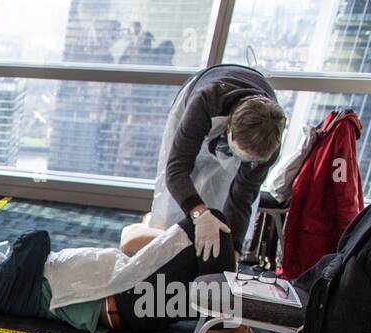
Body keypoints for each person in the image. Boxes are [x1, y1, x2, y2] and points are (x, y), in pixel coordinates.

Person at [0, 214, 280, 333]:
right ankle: (223, 327)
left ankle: (223, 325)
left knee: (208, 234)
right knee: (204, 226)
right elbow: (36, 239)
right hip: (130, 298)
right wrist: (6, 259)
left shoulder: (10, 284)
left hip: (131, 294)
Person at [123, 65, 288, 259]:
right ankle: (147, 230)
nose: (239, 160)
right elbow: (177, 170)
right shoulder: (205, 101)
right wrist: (199, 214)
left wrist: (233, 248)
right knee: (172, 209)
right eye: (238, 153)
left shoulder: (269, 143)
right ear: (229, 128)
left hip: (243, 122)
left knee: (217, 202)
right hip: (198, 102)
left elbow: (243, 196)